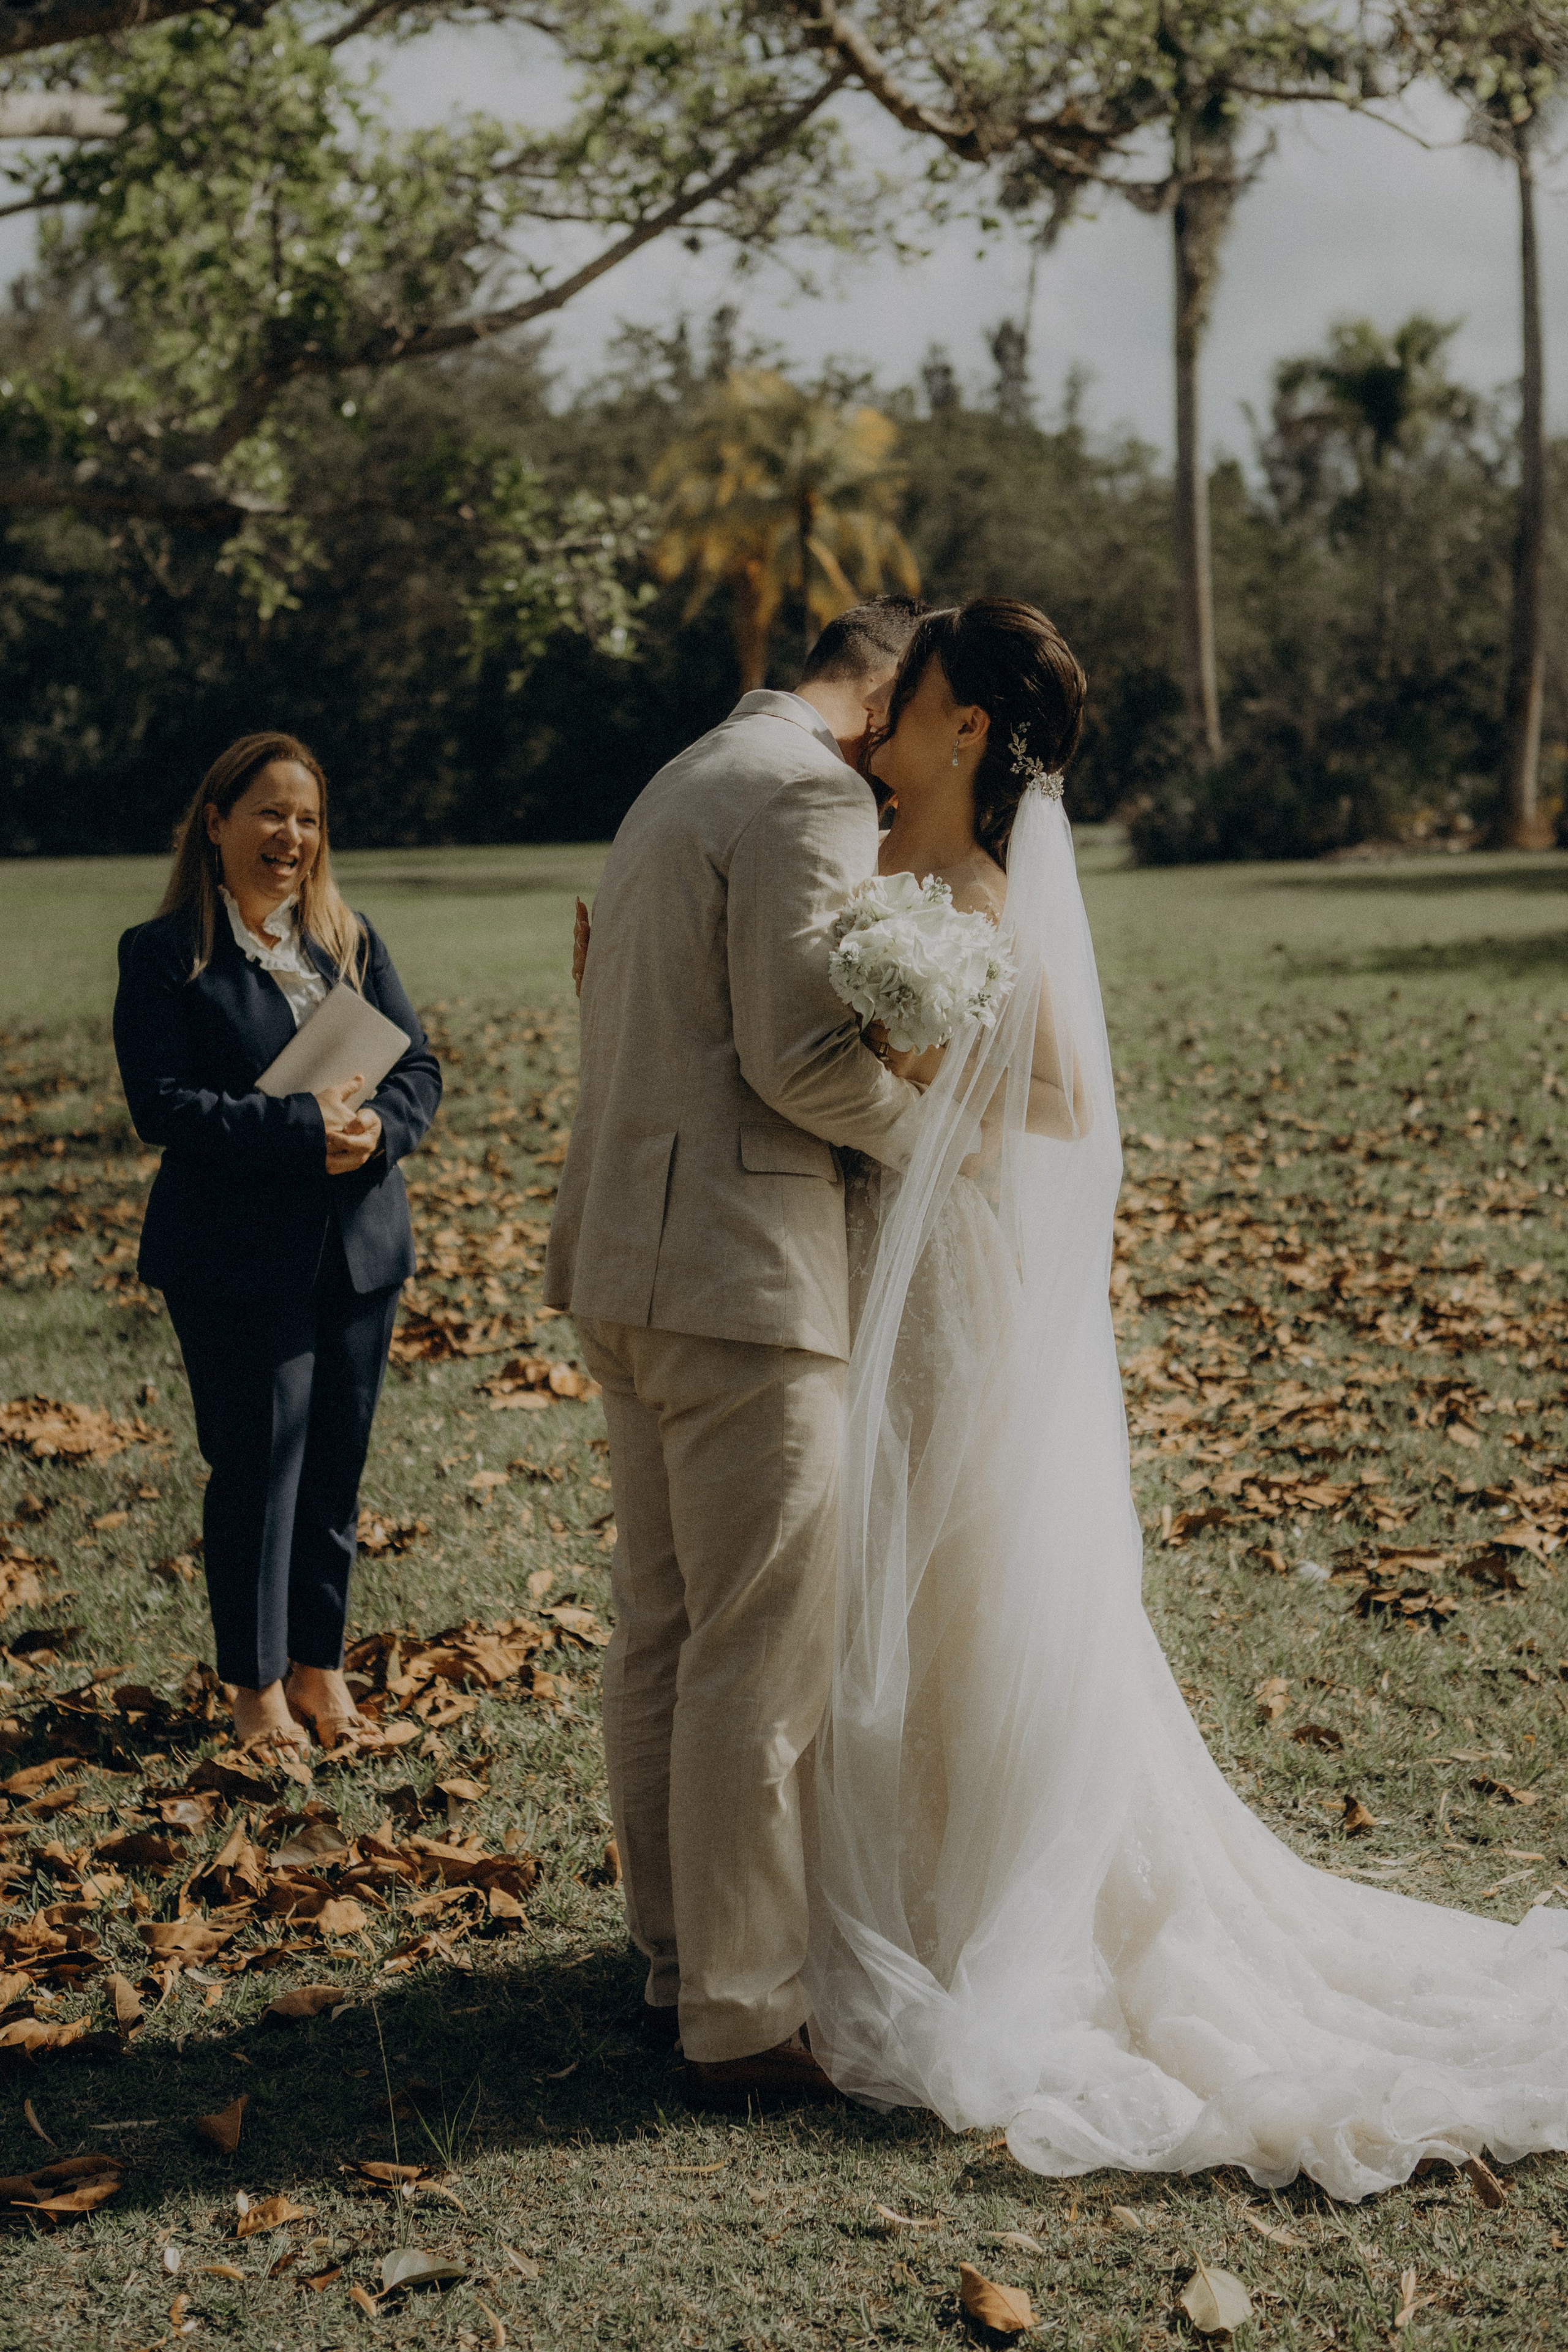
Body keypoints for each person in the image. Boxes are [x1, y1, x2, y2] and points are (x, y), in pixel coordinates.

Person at [801, 598, 1568, 2202]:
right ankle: (907, 1887)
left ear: (963, 733)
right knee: (891, 1579)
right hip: (875, 1259)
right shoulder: (878, 878)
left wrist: (927, 1054)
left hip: (959, 1278)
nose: (876, 728)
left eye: (911, 703)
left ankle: (1002, 1910)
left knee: (976, 1579)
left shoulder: (987, 895)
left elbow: (1068, 1097)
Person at [545, 597, 929, 2104]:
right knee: (754, 1654)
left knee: (661, 1628)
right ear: (883, 694)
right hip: (741, 1273)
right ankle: (746, 2010)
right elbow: (799, 1055)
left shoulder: (687, 769)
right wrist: (940, 1139)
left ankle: (671, 1961)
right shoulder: (810, 791)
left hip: (632, 1261)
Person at [114, 732, 441, 1754]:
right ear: (215, 824)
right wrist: (305, 1131)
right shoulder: (166, 953)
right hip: (233, 1255)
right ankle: (253, 1688)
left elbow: (417, 1068)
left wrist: (384, 1128)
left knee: (336, 1467)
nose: (290, 835)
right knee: (257, 1468)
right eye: (268, 812)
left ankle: (317, 1666)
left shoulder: (347, 940)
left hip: (361, 1246)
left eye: (305, 818)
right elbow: (160, 1106)